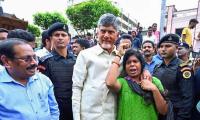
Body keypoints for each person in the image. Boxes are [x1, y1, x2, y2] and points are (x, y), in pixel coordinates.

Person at [72, 13, 121, 120]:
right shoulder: (85, 55)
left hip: (114, 115)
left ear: (117, 35)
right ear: (97, 32)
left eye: (111, 32)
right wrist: (76, 117)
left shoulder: (122, 58)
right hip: (88, 116)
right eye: (103, 31)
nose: (106, 35)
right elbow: (77, 87)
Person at [0, 39, 59, 120]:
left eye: (34, 57)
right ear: (6, 61)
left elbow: (53, 108)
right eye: (26, 59)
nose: (34, 63)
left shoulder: (44, 80)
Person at [106, 48, 167, 120]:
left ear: (141, 64)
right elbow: (110, 83)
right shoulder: (123, 82)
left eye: (135, 61)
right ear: (125, 67)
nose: (132, 64)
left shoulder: (154, 81)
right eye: (128, 63)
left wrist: (154, 89)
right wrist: (118, 56)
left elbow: (163, 111)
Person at [39, 22, 76, 120]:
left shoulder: (77, 60)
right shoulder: (44, 62)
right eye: (56, 35)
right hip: (56, 109)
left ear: (69, 39)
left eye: (63, 35)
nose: (60, 38)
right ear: (51, 39)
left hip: (75, 107)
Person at [153, 34, 194, 120]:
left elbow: (187, 98)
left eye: (168, 46)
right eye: (161, 46)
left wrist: (182, 117)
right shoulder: (157, 67)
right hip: (157, 111)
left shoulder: (183, 68)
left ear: (177, 48)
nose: (163, 49)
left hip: (175, 113)